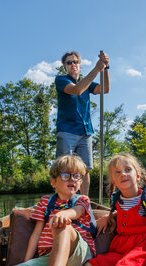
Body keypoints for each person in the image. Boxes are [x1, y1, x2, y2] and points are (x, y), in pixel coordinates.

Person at [55, 51, 110, 196]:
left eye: (76, 62)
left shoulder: (88, 83)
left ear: (80, 65)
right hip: (67, 131)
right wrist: (97, 69)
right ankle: (63, 200)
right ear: (65, 67)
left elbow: (105, 89)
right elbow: (77, 90)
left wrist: (105, 68)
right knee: (63, 167)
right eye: (69, 62)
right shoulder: (61, 80)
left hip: (85, 132)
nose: (73, 64)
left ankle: (84, 201)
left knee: (85, 169)